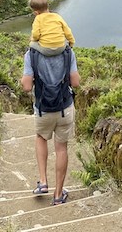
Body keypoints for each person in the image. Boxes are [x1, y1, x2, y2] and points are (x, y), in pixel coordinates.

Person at [20, 45, 81, 206]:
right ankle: (58, 195)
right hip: (64, 108)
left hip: (43, 109)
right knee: (61, 148)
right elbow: (75, 82)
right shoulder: (68, 52)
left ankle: (43, 181)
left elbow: (26, 86)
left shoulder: (31, 54)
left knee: (41, 138)